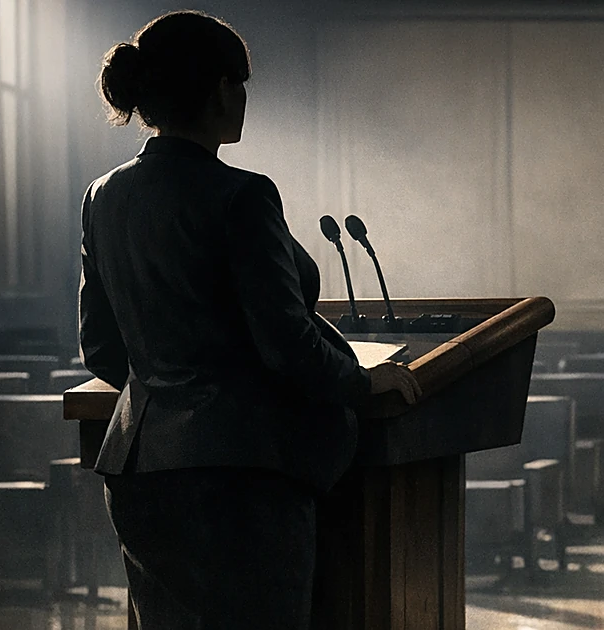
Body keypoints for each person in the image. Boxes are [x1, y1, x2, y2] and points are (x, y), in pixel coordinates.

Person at [78, 10, 421, 629]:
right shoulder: (243, 194)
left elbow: (100, 350)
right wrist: (363, 381)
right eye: (239, 84)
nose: (242, 99)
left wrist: (168, 383)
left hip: (141, 476)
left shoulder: (103, 194)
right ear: (218, 90)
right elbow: (286, 343)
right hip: (240, 483)